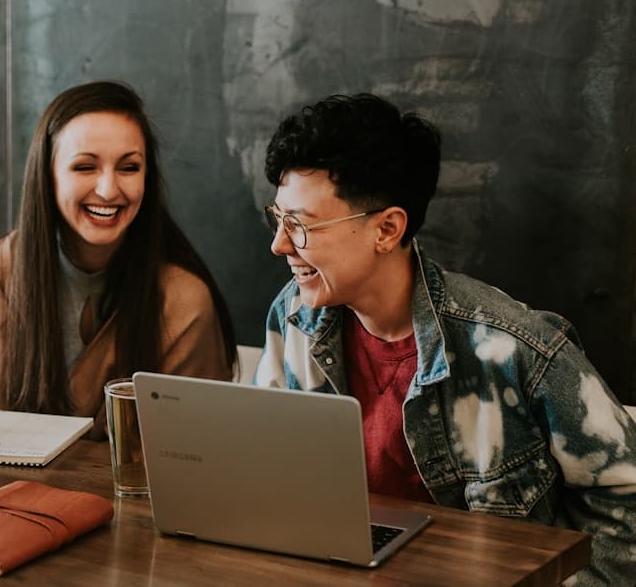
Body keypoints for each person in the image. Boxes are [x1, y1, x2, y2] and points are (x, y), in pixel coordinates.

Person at [252, 93, 636, 585]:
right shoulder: (293, 315)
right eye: (278, 218)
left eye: (300, 225)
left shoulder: (516, 349)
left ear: (387, 229)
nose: (279, 244)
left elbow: (626, 502)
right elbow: (268, 475)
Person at [0, 80, 235, 438]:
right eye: (85, 167)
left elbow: (197, 453)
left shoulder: (184, 301)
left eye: (129, 168)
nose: (108, 189)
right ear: (48, 177)